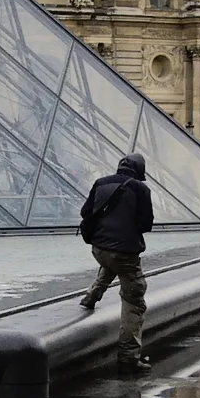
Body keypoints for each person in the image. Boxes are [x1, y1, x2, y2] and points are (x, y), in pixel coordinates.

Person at [79, 152, 156, 373]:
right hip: (124, 251)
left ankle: (91, 297)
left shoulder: (101, 182)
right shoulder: (141, 189)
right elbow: (146, 223)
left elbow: (85, 212)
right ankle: (129, 357)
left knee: (111, 261)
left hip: (99, 248)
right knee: (135, 301)